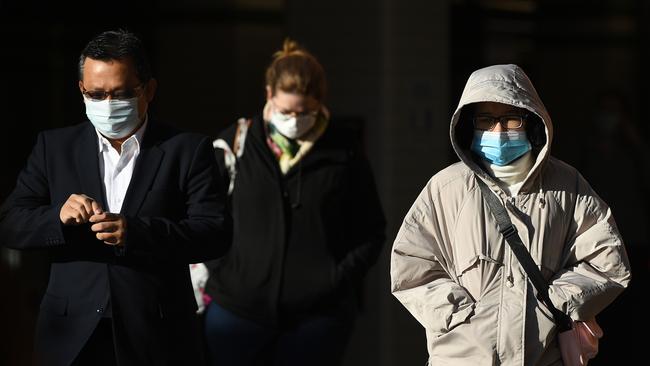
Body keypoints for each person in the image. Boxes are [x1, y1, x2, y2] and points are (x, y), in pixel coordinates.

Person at [0, 29, 232, 366]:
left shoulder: (186, 149)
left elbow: (215, 233)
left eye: (121, 94)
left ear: (148, 90)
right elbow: (10, 224)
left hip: (157, 333)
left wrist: (138, 232)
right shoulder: (55, 147)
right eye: (96, 94)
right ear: (81, 90)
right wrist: (57, 216)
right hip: (71, 333)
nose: (108, 105)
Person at [390, 64, 631, 365]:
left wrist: (556, 302)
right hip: (463, 358)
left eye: (510, 119)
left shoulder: (568, 185)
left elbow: (608, 262)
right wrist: (459, 315)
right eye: (486, 120)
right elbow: (411, 264)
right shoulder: (446, 188)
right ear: (470, 124)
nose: (498, 131)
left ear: (531, 121)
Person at [202, 38, 386, 366]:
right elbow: (205, 216)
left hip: (318, 317)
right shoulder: (235, 143)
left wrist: (335, 279)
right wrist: (227, 273)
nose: (295, 120)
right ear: (269, 95)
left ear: (320, 102)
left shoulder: (344, 151)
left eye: (306, 113)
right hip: (237, 311)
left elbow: (371, 228)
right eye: (286, 111)